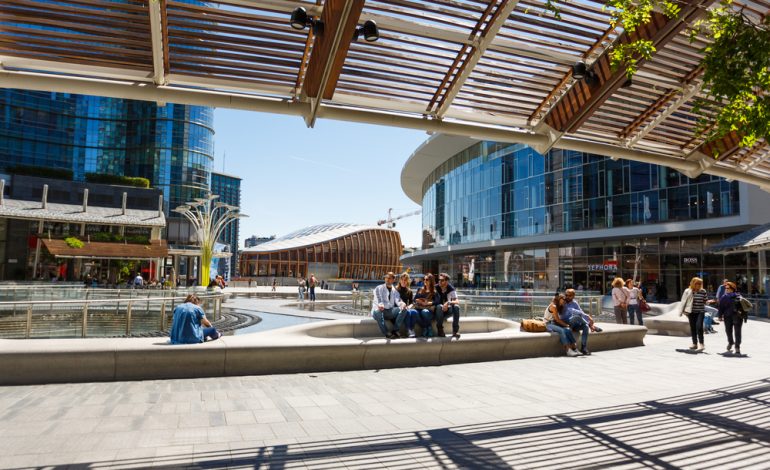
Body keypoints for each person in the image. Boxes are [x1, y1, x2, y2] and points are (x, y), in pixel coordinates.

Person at [371, 272, 407, 339]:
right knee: (378, 311)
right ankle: (387, 333)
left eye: (389, 278)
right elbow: (378, 298)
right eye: (386, 278)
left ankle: (395, 330)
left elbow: (398, 300)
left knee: (404, 310)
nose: (387, 279)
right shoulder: (379, 288)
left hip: (389, 311)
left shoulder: (395, 290)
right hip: (379, 310)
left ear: (393, 280)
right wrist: (380, 305)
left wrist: (402, 304)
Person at [564, 289, 596, 355]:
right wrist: (588, 318)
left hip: (574, 324)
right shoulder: (563, 302)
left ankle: (583, 347)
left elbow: (581, 312)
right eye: (566, 295)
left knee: (585, 327)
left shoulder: (574, 303)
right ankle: (591, 325)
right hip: (566, 323)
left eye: (569, 295)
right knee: (577, 317)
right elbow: (571, 310)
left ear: (573, 296)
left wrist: (587, 316)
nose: (567, 297)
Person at [680, 276, 708, 351]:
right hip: (691, 312)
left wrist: (708, 302)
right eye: (697, 283)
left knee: (699, 327)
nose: (698, 285)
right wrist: (682, 311)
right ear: (693, 283)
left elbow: (705, 301)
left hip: (700, 311)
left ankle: (701, 344)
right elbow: (683, 301)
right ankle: (694, 344)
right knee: (693, 328)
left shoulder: (703, 291)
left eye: (700, 283)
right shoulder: (688, 291)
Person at [717, 281, 743, 355]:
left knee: (736, 332)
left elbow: (743, 306)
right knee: (729, 331)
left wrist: (719, 316)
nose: (726, 289)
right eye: (725, 288)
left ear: (732, 288)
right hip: (729, 316)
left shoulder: (738, 296)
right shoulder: (725, 296)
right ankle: (731, 342)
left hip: (736, 316)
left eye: (728, 288)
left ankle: (737, 346)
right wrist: (719, 316)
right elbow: (721, 307)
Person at [414, 273, 440, 338]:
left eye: (427, 279)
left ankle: (427, 329)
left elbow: (437, 301)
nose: (425, 281)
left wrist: (427, 303)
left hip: (429, 311)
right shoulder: (420, 289)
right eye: (424, 279)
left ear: (431, 280)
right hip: (419, 308)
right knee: (414, 313)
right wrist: (418, 301)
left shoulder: (434, 291)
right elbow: (414, 299)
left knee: (424, 312)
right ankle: (428, 328)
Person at [436, 272, 461, 338]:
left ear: (446, 281)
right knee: (439, 306)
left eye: (442, 280)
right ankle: (440, 329)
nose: (440, 282)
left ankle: (455, 331)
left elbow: (457, 301)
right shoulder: (436, 287)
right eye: (439, 280)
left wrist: (448, 303)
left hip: (447, 310)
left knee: (456, 307)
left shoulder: (451, 288)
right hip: (438, 311)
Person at [396, 273, 420, 338]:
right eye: (402, 280)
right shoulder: (395, 290)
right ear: (400, 280)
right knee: (408, 311)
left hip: (406, 308)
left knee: (415, 312)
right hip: (398, 308)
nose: (403, 281)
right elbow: (394, 301)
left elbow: (412, 302)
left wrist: (409, 306)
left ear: (408, 281)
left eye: (405, 280)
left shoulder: (409, 291)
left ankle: (411, 329)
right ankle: (408, 329)